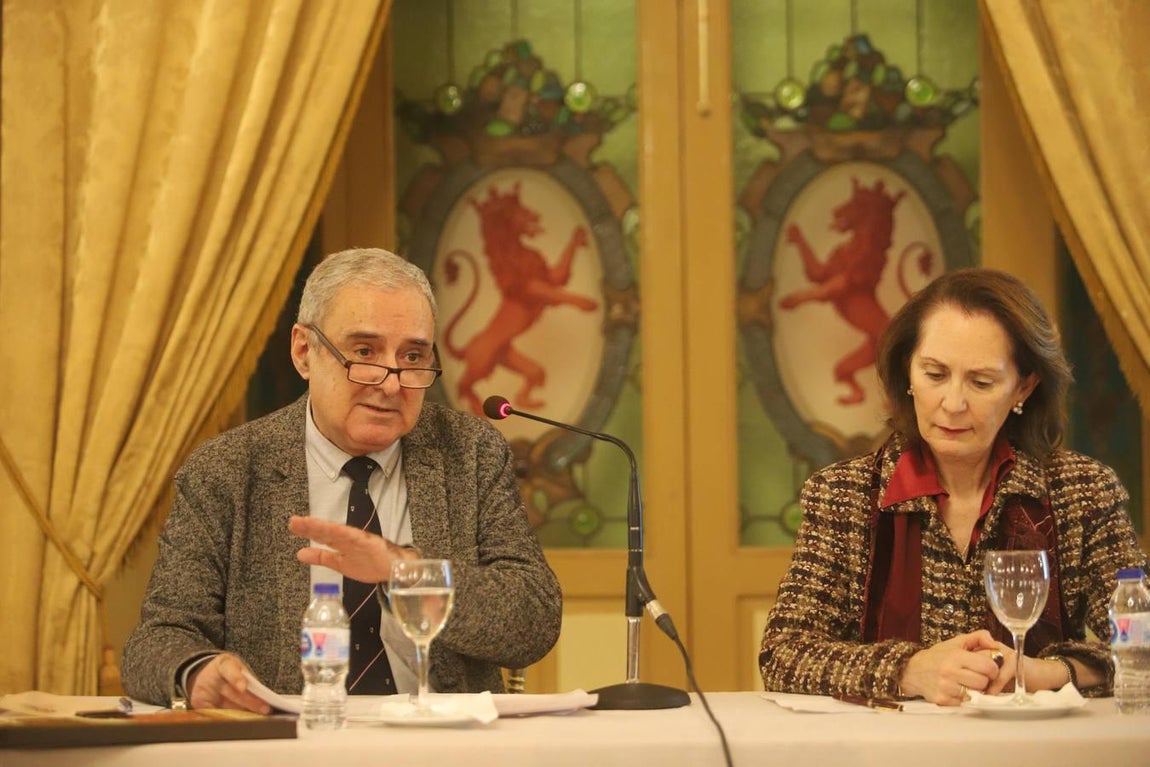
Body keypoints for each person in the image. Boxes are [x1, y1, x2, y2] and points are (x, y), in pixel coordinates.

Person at [122, 248, 561, 710]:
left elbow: (533, 618)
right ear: (304, 352)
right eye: (364, 351)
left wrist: (403, 571)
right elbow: (158, 638)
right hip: (291, 747)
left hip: (441, 744)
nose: (391, 383)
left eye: (412, 356)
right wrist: (199, 673)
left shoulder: (468, 452)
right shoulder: (226, 470)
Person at [759, 267, 1147, 706]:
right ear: (908, 372)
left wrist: (1045, 672)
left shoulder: (1082, 491)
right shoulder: (842, 494)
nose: (953, 403)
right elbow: (783, 653)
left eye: (981, 382)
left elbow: (1144, 643)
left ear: (1023, 387)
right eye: (935, 374)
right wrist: (909, 670)